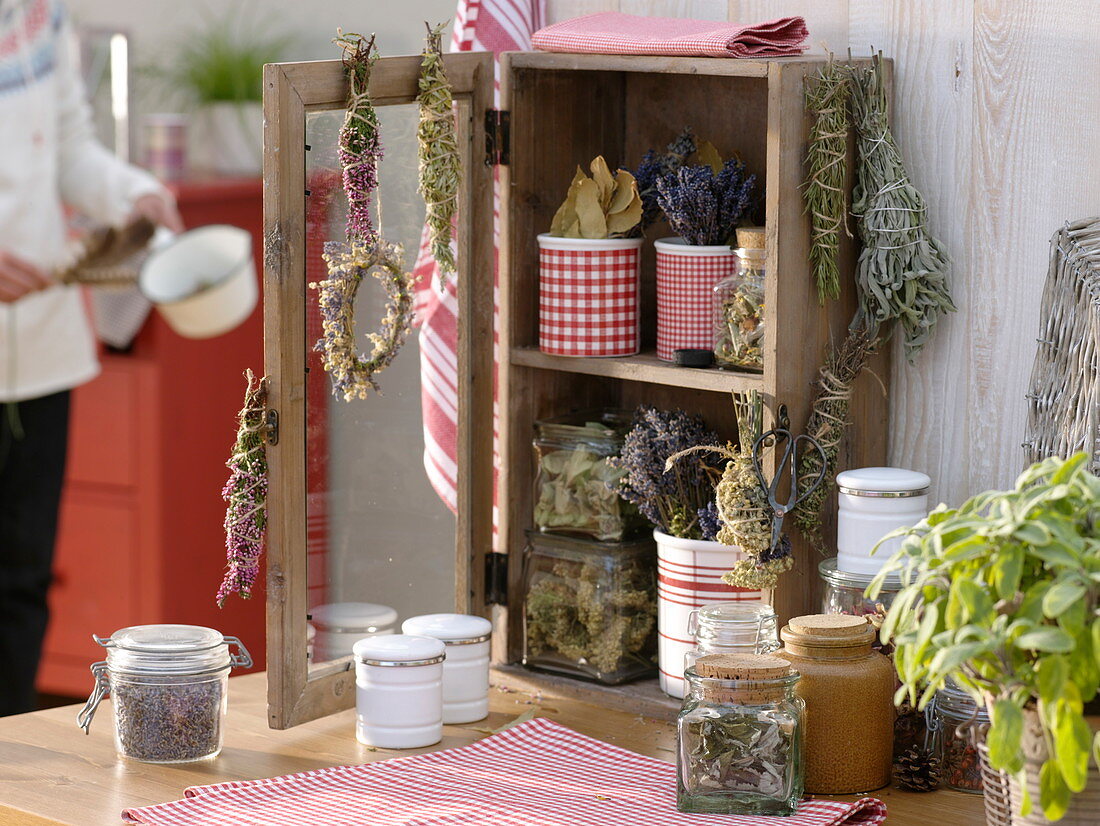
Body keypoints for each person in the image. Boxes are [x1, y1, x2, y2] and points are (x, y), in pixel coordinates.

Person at [0, 0, 183, 716]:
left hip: (39, 349)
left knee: (21, 582)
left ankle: (7, 776)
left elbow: (70, 149)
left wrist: (135, 194)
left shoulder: (41, 15)